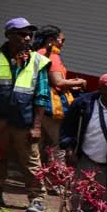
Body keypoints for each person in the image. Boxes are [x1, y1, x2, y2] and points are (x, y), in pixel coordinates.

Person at [0, 17, 50, 212]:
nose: (27, 38)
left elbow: (42, 96)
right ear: (8, 35)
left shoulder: (37, 61)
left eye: (30, 34)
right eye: (21, 33)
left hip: (24, 121)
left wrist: (37, 126)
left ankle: (37, 198)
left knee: (30, 161)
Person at [62, 72, 107, 212]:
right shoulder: (83, 104)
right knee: (80, 200)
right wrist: (69, 149)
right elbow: (68, 129)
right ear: (101, 89)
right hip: (87, 160)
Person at [34, 25, 84, 167]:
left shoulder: (37, 53)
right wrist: (80, 82)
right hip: (52, 106)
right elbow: (57, 81)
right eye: (62, 40)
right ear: (51, 40)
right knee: (58, 143)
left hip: (38, 104)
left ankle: (35, 177)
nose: (63, 43)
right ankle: (56, 181)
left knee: (40, 142)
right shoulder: (52, 56)